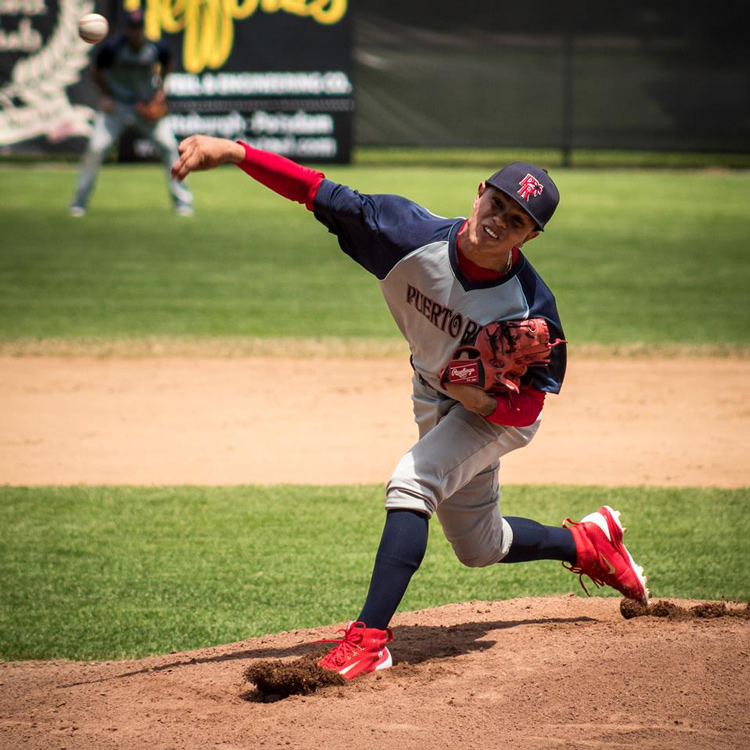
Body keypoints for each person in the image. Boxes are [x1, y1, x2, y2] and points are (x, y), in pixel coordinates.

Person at [171, 135, 650, 680]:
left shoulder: (530, 304)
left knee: (412, 481)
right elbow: (312, 190)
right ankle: (589, 543)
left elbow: (532, 406)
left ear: (532, 236)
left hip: (494, 416)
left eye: (517, 221)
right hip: (431, 392)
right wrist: (234, 153)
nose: (498, 221)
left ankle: (370, 639)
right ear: (479, 192)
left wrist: (483, 398)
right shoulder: (402, 233)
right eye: (498, 203)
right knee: (479, 546)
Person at [70, 10, 193, 217]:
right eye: (132, 29)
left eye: (139, 29)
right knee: (95, 149)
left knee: (170, 147)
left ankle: (183, 203)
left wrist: (160, 92)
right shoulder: (113, 48)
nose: (136, 33)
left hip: (144, 107)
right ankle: (79, 202)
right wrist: (106, 95)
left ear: (143, 30)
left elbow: (168, 64)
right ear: (127, 30)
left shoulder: (156, 47)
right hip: (117, 107)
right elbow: (96, 71)